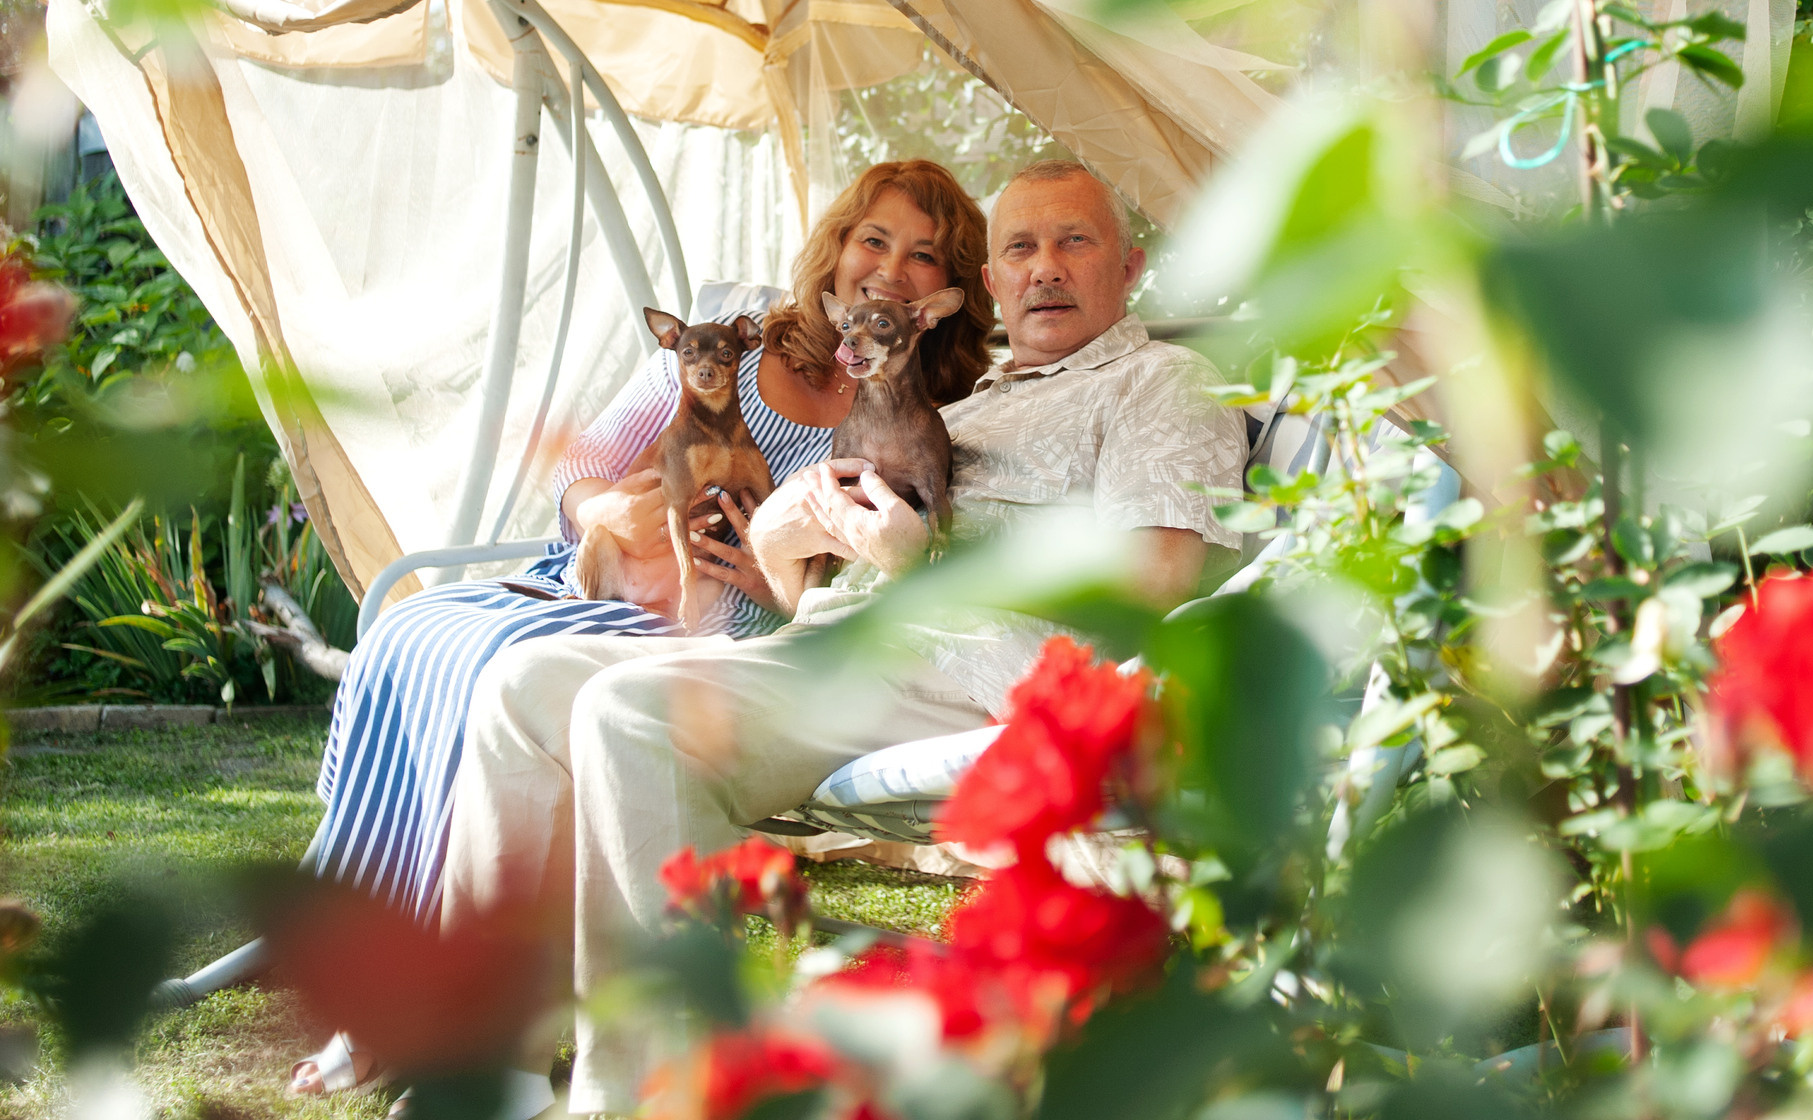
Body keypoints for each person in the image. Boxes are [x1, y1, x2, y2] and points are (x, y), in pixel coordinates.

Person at [438, 160, 1250, 1117]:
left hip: (967, 674)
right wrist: (787, 534)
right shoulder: (965, 404)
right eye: (1021, 248)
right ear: (992, 282)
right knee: (526, 684)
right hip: (835, 648)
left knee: (632, 712)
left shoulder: (1163, 383)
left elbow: (1151, 585)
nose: (1045, 268)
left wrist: (920, 566)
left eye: (1075, 241)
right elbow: (808, 588)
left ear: (1130, 265)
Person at [288, 160, 990, 1097]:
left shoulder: (920, 413)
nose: (892, 271)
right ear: (836, 251)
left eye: (923, 256)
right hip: (601, 584)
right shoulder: (731, 351)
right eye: (875, 240)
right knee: (420, 636)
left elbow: (856, 581)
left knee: (505, 665)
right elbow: (580, 472)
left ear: (945, 291)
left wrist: (781, 578)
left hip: (730, 635)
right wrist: (607, 513)